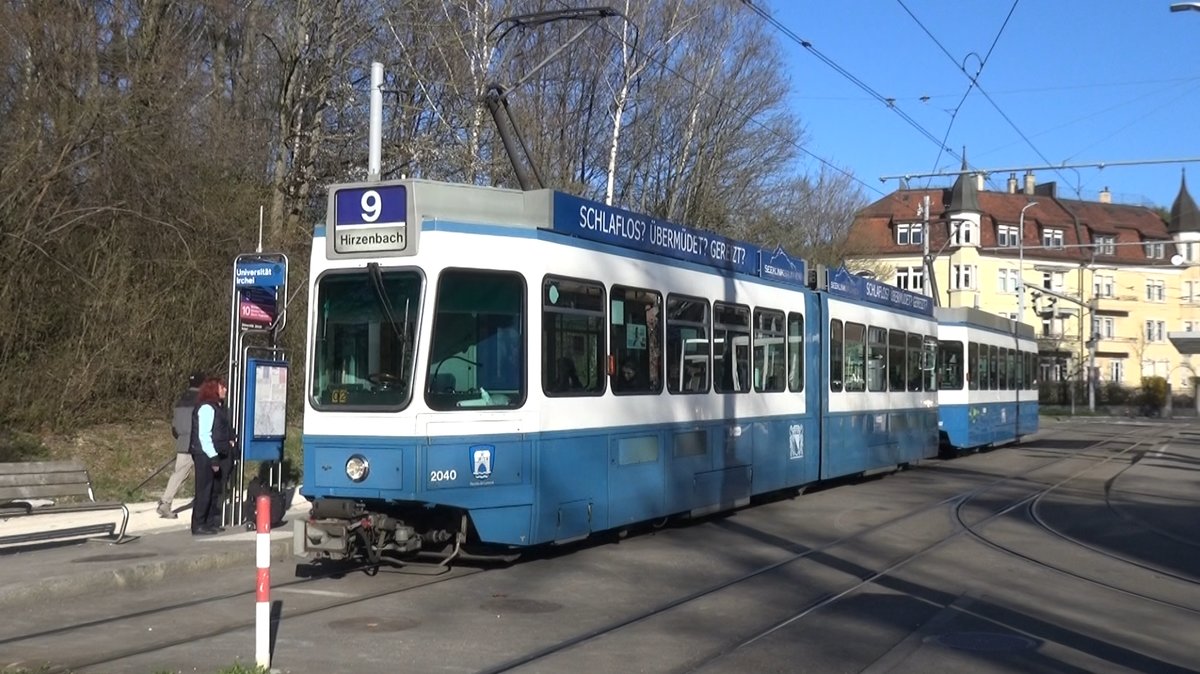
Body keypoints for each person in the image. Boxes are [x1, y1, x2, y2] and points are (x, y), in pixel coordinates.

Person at [189, 377, 234, 536]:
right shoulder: (207, 408)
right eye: (222, 387)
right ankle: (198, 523)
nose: (225, 390)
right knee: (204, 489)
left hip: (215, 452)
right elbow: (204, 435)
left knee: (214, 490)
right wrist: (213, 456)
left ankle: (208, 522)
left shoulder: (218, 407)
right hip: (205, 454)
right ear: (213, 389)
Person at [157, 371, 204, 519]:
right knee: (205, 474)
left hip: (183, 442)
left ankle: (165, 502)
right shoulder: (203, 400)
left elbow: (174, 428)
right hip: (199, 443)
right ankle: (205, 502)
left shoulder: (180, 400)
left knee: (178, 474)